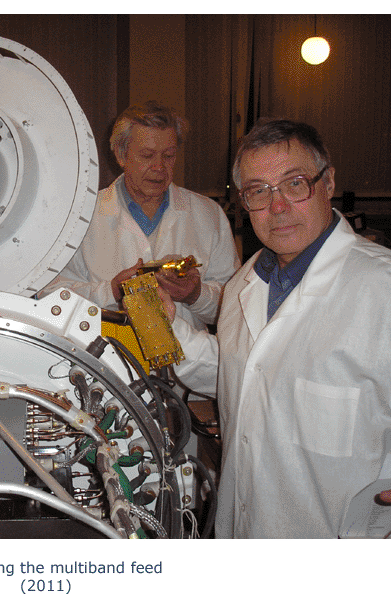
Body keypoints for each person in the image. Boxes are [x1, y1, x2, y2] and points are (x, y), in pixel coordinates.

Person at [160, 118, 391, 538]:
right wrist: (164, 321)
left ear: (327, 182)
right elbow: (237, 375)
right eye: (258, 191)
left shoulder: (381, 288)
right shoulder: (246, 282)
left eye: (294, 184)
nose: (277, 206)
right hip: (242, 530)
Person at [44, 101, 240, 331]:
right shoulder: (81, 215)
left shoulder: (209, 215)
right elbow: (50, 297)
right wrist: (112, 291)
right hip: (106, 350)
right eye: (147, 155)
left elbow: (237, 308)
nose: (159, 167)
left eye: (168, 156)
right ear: (121, 155)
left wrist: (196, 295)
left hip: (190, 353)